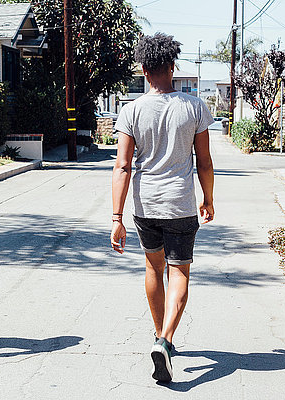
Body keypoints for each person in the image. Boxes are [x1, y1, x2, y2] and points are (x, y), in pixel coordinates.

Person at [111, 33, 215, 382]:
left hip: (146, 206)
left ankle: (160, 337)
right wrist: (209, 198)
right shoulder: (195, 107)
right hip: (181, 205)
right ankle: (166, 340)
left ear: (143, 69)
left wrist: (116, 218)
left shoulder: (132, 111)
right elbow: (204, 162)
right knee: (180, 272)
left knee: (154, 269)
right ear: (173, 66)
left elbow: (123, 166)